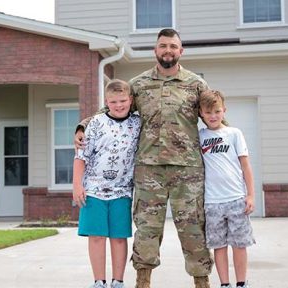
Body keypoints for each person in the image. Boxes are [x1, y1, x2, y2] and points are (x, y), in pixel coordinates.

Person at [75, 29, 213, 288]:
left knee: (193, 228)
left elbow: (214, 116)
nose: (168, 50)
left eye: (173, 46)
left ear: (180, 51)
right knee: (147, 230)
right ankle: (143, 282)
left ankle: (202, 282)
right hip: (150, 172)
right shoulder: (138, 85)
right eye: (163, 46)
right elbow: (111, 110)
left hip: (188, 171)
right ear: (155, 50)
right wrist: (83, 127)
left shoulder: (196, 84)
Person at [73, 79, 141, 288]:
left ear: (130, 100)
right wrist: (77, 185)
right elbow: (81, 156)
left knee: (119, 237)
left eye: (123, 100)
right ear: (106, 102)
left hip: (122, 191)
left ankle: (118, 281)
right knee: (96, 237)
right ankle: (99, 281)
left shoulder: (138, 124)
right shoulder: (95, 123)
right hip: (93, 190)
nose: (119, 105)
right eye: (113, 101)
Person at [198, 90, 256, 288]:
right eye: (208, 112)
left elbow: (246, 166)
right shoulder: (200, 137)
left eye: (216, 111)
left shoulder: (234, 134)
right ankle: (225, 284)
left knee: (239, 245)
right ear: (201, 114)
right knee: (219, 246)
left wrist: (250, 195)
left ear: (224, 110)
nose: (213, 116)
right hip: (212, 202)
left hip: (236, 199)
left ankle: (241, 283)